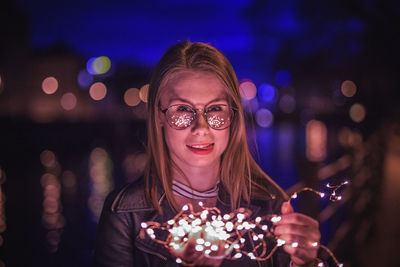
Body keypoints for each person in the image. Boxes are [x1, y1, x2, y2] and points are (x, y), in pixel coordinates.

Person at [94, 41, 326, 266]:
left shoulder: (271, 204)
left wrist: (304, 262)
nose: (201, 128)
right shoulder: (124, 213)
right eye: (183, 110)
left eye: (215, 109)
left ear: (233, 116)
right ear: (159, 116)